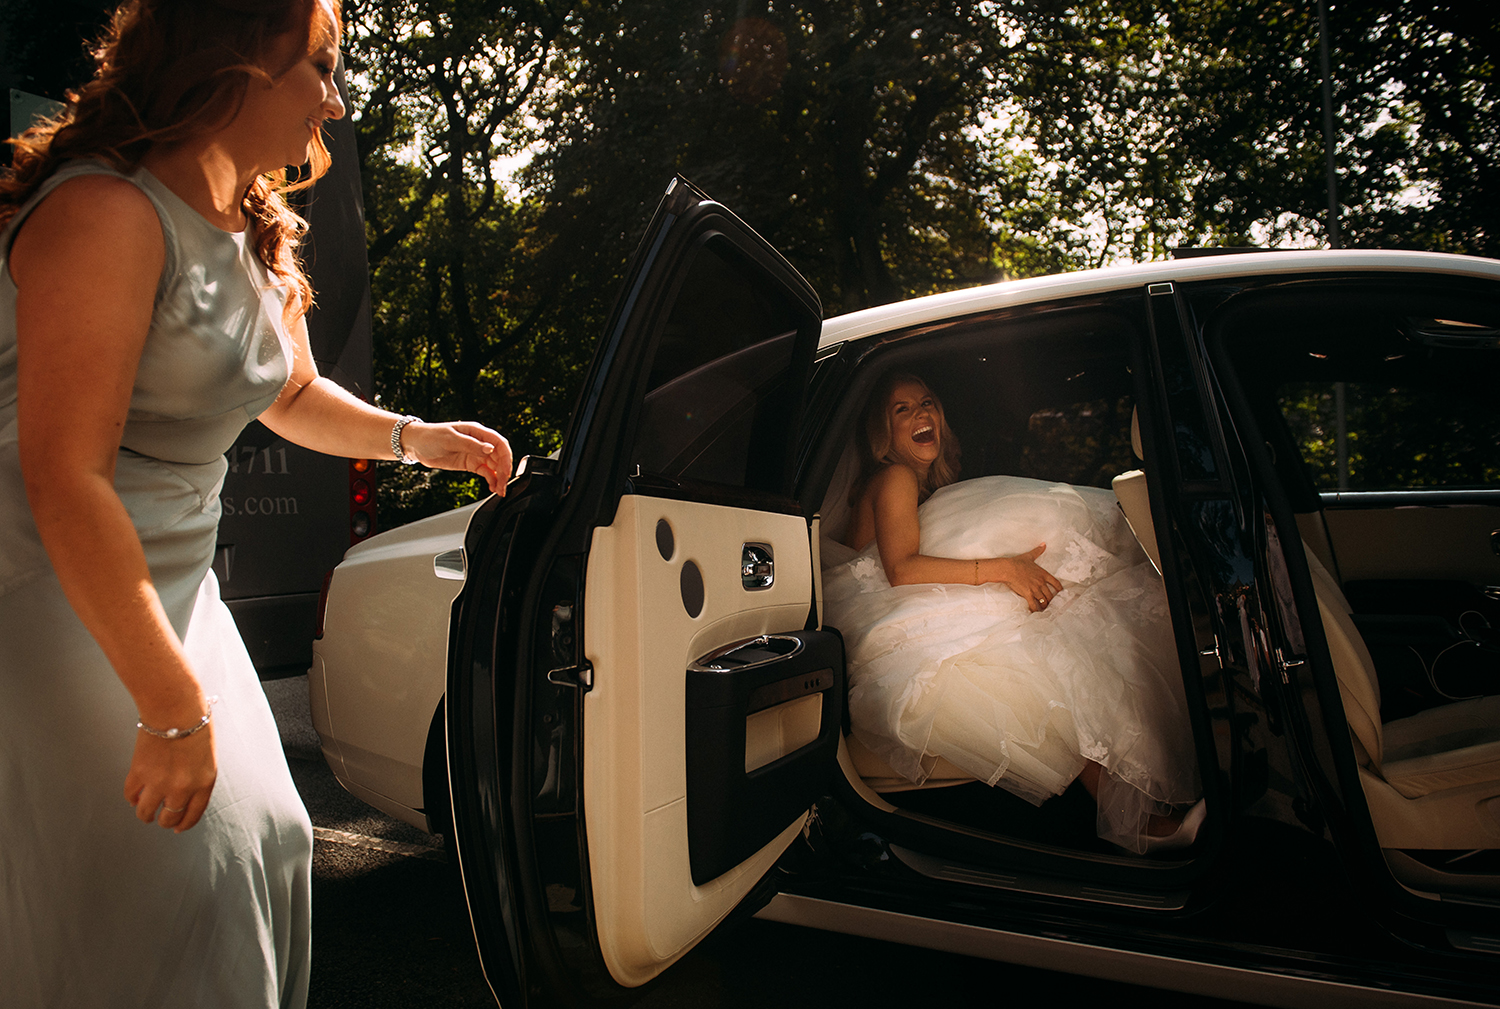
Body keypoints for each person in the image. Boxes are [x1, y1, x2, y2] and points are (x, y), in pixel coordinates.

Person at [0, 2, 512, 1005]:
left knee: (270, 843)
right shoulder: (105, 212)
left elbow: (290, 394)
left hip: (180, 591)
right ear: (232, 60)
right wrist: (169, 705)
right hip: (58, 592)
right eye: (316, 65)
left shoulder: (253, 227)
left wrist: (417, 437)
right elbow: (63, 475)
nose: (334, 95)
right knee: (147, 898)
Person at [823, 372, 1202, 853]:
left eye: (927, 402)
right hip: (886, 622)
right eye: (902, 410)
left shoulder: (909, 487)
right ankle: (1141, 825)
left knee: (1064, 631)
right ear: (883, 434)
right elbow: (900, 569)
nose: (921, 414)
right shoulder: (894, 476)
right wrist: (1005, 568)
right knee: (1043, 664)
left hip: (890, 613)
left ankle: (1143, 812)